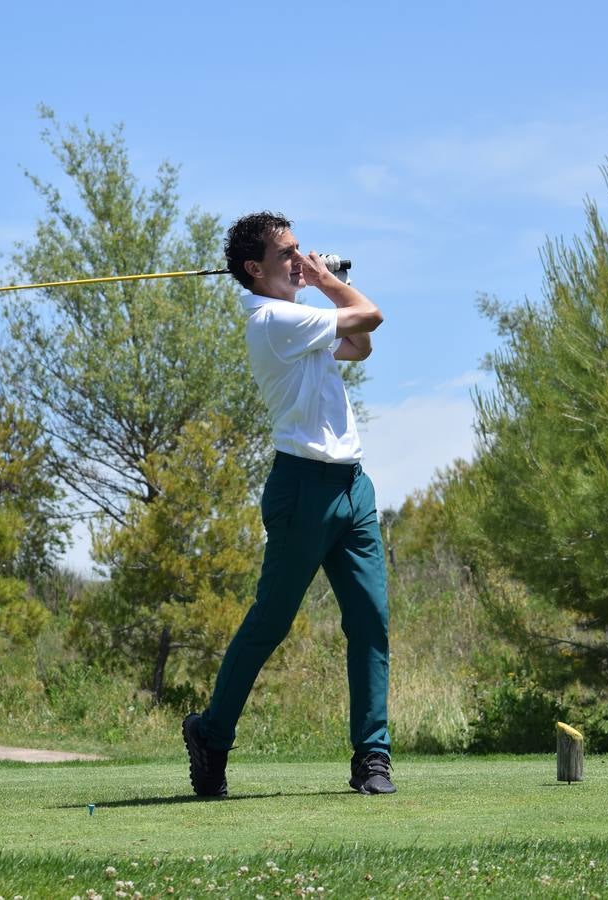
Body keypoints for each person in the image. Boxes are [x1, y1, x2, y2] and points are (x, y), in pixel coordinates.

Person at [183, 211, 395, 797]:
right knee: (270, 624)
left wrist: (317, 282)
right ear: (255, 270)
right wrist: (326, 280)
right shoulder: (273, 319)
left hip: (353, 486)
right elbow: (370, 313)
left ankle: (372, 757)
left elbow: (361, 344)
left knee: (371, 622)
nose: (299, 262)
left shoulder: (299, 319)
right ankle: (211, 734)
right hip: (302, 488)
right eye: (288, 255)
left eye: (301, 251)